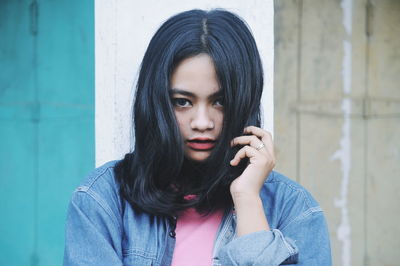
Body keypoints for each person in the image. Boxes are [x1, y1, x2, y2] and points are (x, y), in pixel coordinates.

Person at [64, 9, 331, 266]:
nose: (202, 122)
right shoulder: (102, 200)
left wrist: (247, 198)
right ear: (156, 103)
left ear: (243, 101)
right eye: (182, 102)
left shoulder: (295, 211)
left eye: (220, 102)